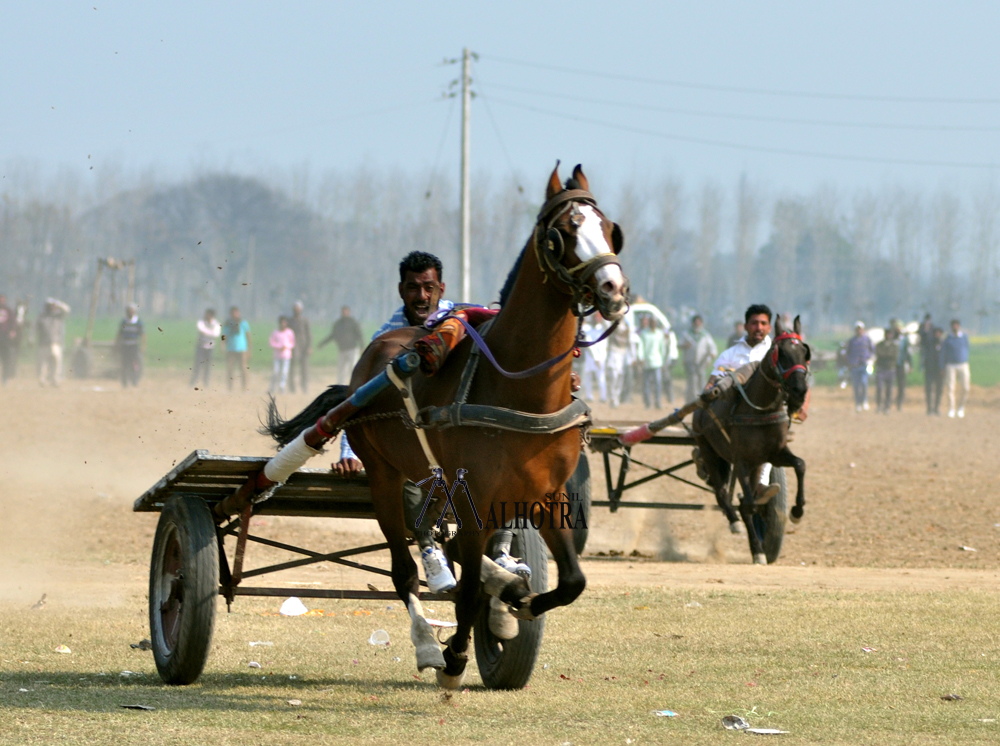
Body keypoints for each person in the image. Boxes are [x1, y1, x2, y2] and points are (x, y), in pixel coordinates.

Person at [703, 303, 778, 502]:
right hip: (733, 421)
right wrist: (709, 391)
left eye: (763, 323)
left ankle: (760, 484)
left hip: (766, 418)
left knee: (773, 444)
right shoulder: (730, 355)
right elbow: (712, 383)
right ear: (745, 326)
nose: (759, 328)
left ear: (769, 327)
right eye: (754, 323)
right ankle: (705, 459)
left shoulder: (777, 354)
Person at [319, 305, 364, 385]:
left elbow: (359, 334)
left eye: (346, 311)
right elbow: (332, 335)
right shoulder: (338, 324)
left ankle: (354, 384)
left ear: (349, 312)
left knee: (353, 368)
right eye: (343, 311)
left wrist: (362, 345)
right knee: (341, 370)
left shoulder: (353, 322)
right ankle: (340, 384)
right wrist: (322, 343)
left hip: (352, 349)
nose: (344, 313)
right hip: (342, 350)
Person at [680, 315, 718, 401]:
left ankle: (702, 399)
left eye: (699, 323)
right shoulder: (686, 334)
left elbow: (712, 348)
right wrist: (684, 345)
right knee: (692, 382)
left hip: (702, 363)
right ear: (693, 323)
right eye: (696, 323)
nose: (697, 325)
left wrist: (712, 354)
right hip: (690, 362)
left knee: (701, 382)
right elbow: (679, 345)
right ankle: (692, 400)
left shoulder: (705, 335)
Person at [35, 298, 70, 387]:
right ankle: (42, 380)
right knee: (43, 364)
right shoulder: (42, 316)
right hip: (43, 343)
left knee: (56, 363)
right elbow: (35, 327)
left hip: (56, 343)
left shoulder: (59, 316)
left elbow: (67, 310)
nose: (53, 307)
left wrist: (58, 303)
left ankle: (55, 380)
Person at [605, 313, 635, 408]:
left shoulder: (627, 328)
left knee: (620, 376)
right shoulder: (612, 327)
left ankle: (616, 398)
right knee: (613, 376)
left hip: (623, 354)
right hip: (613, 352)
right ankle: (613, 397)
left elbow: (630, 342)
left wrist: (633, 356)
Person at [941, 318, 970, 418]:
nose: (955, 327)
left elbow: (967, 348)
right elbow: (943, 353)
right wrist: (942, 366)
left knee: (966, 387)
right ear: (951, 327)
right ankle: (952, 408)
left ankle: (961, 407)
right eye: (953, 325)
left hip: (963, 364)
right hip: (951, 365)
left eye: (957, 325)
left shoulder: (964, 337)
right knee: (950, 388)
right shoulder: (948, 338)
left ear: (959, 326)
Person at [846, 321, 874, 412]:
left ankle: (865, 401)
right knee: (856, 386)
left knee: (864, 383)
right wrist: (849, 363)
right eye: (857, 329)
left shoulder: (867, 340)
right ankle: (858, 403)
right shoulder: (852, 341)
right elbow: (848, 353)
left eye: (860, 329)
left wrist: (871, 360)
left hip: (864, 365)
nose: (859, 331)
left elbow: (872, 350)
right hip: (855, 366)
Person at [115, 303, 145, 388]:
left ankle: (134, 380)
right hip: (125, 346)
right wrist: (117, 344)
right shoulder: (124, 322)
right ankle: (124, 382)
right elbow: (120, 334)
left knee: (134, 364)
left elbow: (143, 335)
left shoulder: (138, 322)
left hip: (134, 346)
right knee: (124, 364)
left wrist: (143, 346)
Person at [581, 313, 609, 402]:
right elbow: (589, 344)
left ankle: (603, 397)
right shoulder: (588, 329)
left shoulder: (602, 328)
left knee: (601, 377)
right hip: (590, 357)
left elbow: (605, 344)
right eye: (595, 317)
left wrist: (599, 358)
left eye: (598, 317)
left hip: (601, 357)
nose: (596, 319)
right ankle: (589, 396)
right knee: (587, 376)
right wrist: (595, 358)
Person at [223, 306, 252, 391]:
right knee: (230, 369)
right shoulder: (227, 323)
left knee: (243, 369)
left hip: (242, 349)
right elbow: (224, 335)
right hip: (230, 349)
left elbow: (248, 336)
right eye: (233, 313)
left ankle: (244, 387)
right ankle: (230, 388)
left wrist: (250, 349)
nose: (235, 314)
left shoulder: (243, 323)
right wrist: (222, 344)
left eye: (236, 312)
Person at [287, 301, 312, 394]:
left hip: (303, 346)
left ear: (301, 310)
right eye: (295, 309)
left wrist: (309, 347)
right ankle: (292, 388)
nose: (297, 310)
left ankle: (304, 387)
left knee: (304, 369)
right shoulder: (290, 321)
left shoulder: (305, 320)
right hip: (293, 347)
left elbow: (309, 334)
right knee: (292, 368)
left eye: (298, 309)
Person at [873, 327, 899, 414]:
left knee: (889, 389)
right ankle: (879, 405)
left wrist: (885, 356)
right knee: (879, 388)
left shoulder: (894, 346)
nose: (889, 335)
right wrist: (887, 355)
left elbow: (894, 356)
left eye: (890, 334)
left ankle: (887, 406)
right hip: (881, 369)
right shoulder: (880, 345)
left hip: (890, 369)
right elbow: (879, 353)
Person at [268, 315, 295, 394]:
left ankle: (281, 387)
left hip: (286, 355)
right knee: (275, 372)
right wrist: (279, 347)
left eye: (284, 322)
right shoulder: (275, 332)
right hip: (277, 356)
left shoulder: (289, 332)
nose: (283, 324)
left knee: (284, 372)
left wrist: (286, 346)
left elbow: (292, 343)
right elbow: (271, 343)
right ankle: (272, 387)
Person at [923, 327, 945, 415]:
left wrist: (943, 368)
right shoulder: (929, 343)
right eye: (936, 333)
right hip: (929, 369)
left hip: (940, 370)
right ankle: (929, 408)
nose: (937, 334)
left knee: (939, 390)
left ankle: (936, 408)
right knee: (929, 389)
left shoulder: (943, 344)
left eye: (939, 333)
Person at [918, 313, 937, 413]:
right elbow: (921, 337)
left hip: (933, 362)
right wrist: (925, 330)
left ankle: (935, 407)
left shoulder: (933, 328)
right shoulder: (922, 327)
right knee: (928, 386)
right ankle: (929, 407)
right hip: (926, 357)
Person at [893, 319, 912, 411]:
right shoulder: (891, 338)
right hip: (891, 364)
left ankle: (899, 403)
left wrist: (910, 364)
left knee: (901, 385)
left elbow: (907, 352)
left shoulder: (904, 340)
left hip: (901, 364)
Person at [0, 294, 14, 384]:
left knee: (6, 358)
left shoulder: (9, 310)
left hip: (5, 337)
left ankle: (5, 378)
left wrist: (12, 331)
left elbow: (13, 321)